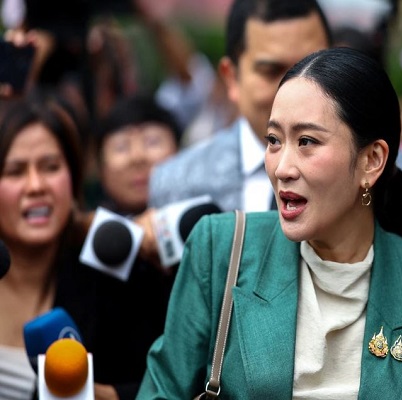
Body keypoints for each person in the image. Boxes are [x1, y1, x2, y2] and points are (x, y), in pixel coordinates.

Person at [137, 47, 402, 399]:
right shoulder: (220, 248)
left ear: (371, 160)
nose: (282, 168)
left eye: (307, 142)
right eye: (274, 140)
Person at [0, 94, 164, 400]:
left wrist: (94, 393)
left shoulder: (115, 280)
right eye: (15, 171)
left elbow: (166, 385)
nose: (36, 186)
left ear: (74, 180)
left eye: (51, 167)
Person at [148, 0, 332, 212]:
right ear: (231, 77)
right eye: (272, 72)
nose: (295, 90)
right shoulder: (176, 184)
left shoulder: (360, 173)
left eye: (314, 69)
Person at [93, 94, 180, 215]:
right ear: (101, 169)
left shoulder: (204, 220)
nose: (137, 157)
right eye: (121, 147)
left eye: (152, 142)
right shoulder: (90, 226)